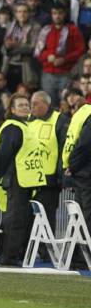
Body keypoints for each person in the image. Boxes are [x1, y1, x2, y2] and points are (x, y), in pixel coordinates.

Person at [0, 94, 46, 266]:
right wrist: (0, 174)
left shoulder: (24, 126)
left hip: (26, 180)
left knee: (19, 218)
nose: (25, 107)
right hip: (16, 179)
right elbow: (2, 155)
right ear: (13, 109)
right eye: (20, 105)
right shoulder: (13, 127)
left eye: (26, 104)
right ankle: (8, 257)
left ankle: (9, 253)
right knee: (15, 219)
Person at [29, 91, 65, 230]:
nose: (32, 107)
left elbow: (63, 150)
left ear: (46, 104)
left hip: (48, 180)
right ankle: (31, 250)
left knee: (46, 218)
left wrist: (59, 175)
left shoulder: (59, 120)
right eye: (31, 103)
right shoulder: (29, 119)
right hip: (29, 178)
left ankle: (46, 251)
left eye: (35, 103)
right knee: (28, 218)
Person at [62, 100, 91, 238]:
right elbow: (85, 145)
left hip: (83, 173)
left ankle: (79, 254)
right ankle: (83, 255)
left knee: (81, 214)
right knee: (85, 215)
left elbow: (83, 145)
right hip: (85, 173)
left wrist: (72, 166)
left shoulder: (83, 116)